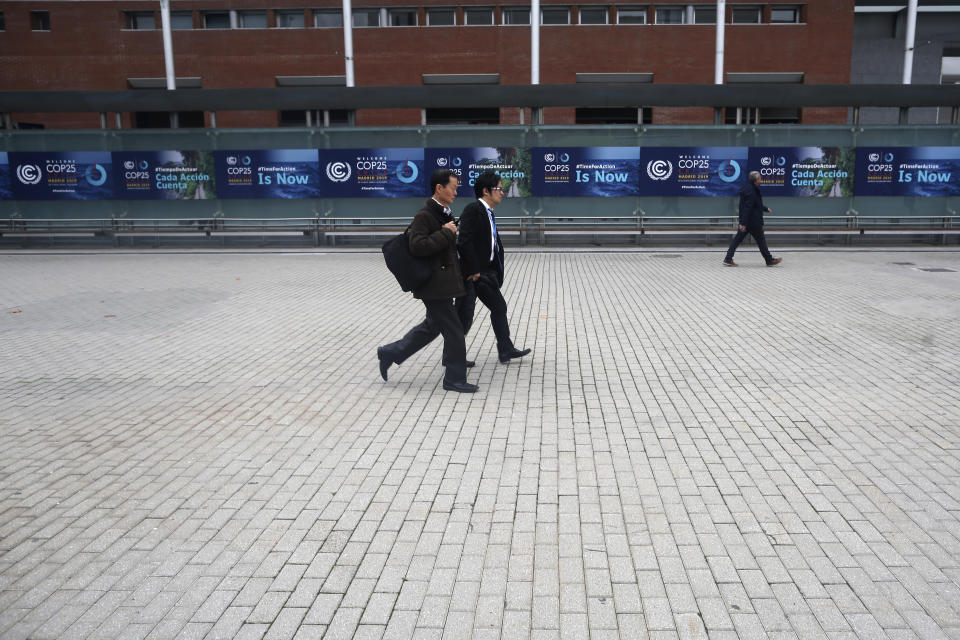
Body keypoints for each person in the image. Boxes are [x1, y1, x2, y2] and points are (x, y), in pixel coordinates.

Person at [377, 169, 478, 393]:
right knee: (454, 330)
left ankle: (390, 352)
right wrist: (445, 233)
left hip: (443, 283)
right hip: (433, 285)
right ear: (439, 188)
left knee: (431, 327)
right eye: (452, 187)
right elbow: (418, 246)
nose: (456, 191)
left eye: (456, 187)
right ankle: (454, 379)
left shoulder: (444, 213)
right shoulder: (425, 215)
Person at [456, 171, 531, 364]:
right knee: (463, 317)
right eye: (498, 188)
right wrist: (474, 271)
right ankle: (453, 357)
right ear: (486, 191)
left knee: (498, 307)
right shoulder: (473, 210)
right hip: (474, 275)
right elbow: (464, 242)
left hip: (485, 274)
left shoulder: (488, 213)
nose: (502, 192)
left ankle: (505, 349)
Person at [723, 170, 783, 267]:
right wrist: (743, 223)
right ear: (755, 180)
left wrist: (765, 208)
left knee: (737, 240)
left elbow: (754, 204)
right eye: (760, 178)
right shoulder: (751, 190)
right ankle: (769, 260)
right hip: (752, 222)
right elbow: (748, 207)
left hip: (747, 221)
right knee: (761, 241)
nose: (761, 179)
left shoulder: (748, 187)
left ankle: (728, 258)